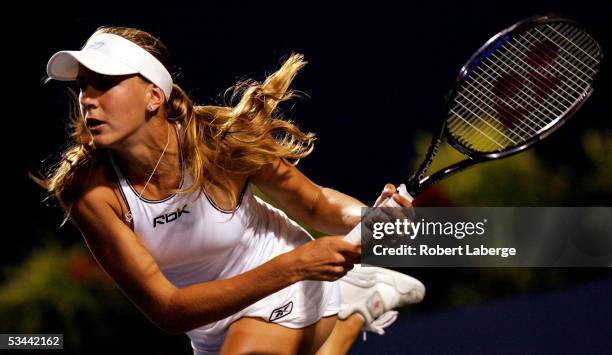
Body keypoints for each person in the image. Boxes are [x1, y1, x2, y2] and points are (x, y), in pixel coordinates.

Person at [37, 26, 425, 354]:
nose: (87, 98)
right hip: (211, 321)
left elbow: (316, 203)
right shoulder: (88, 191)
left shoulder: (219, 143)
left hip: (286, 280)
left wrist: (371, 221)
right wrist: (298, 264)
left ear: (154, 96)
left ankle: (346, 305)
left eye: (104, 84)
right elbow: (168, 310)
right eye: (84, 86)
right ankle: (356, 307)